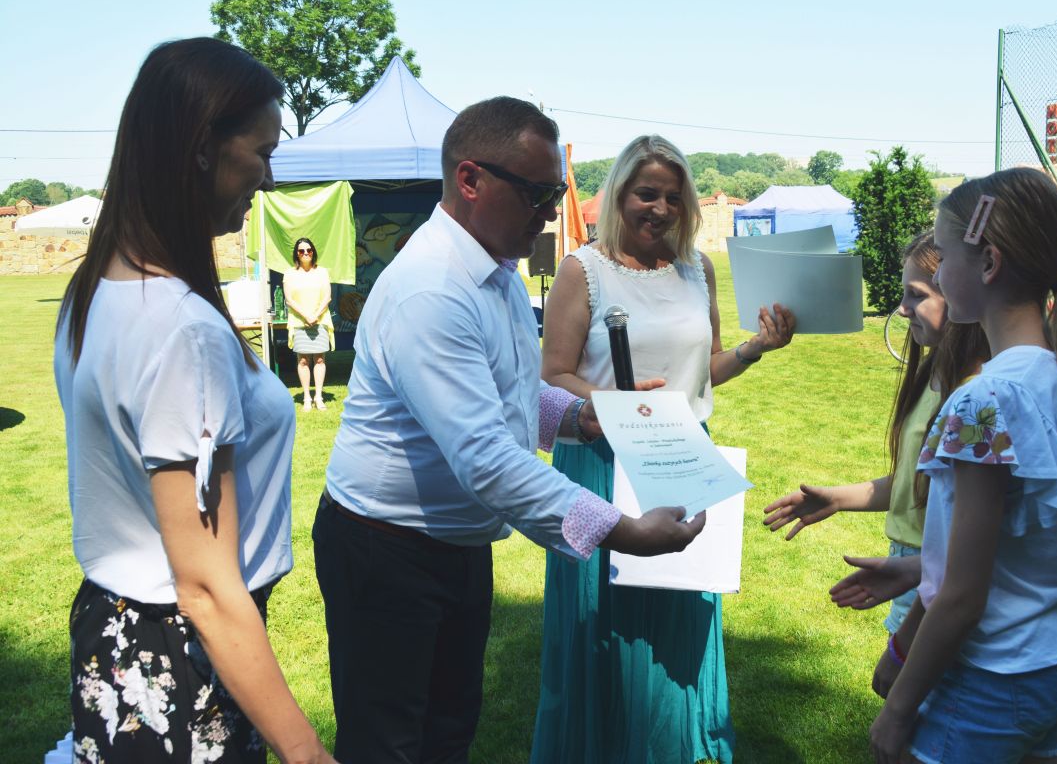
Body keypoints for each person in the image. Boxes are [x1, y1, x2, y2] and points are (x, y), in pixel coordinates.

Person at [313, 99, 707, 764]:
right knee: (389, 745)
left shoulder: (493, 272)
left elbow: (514, 394)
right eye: (536, 193)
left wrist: (582, 415)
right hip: (388, 551)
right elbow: (487, 460)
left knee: (446, 733)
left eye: (554, 193)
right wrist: (621, 531)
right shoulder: (432, 290)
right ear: (471, 180)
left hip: (453, 543)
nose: (550, 212)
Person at [54, 38, 335, 764]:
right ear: (204, 147)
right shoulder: (183, 329)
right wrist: (308, 753)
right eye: (262, 152)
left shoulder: (96, 288)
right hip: (183, 659)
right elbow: (206, 588)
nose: (267, 178)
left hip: (114, 634)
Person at [532, 135, 795, 764]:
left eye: (673, 198)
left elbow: (705, 368)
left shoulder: (695, 269)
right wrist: (613, 402)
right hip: (602, 457)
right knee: (606, 614)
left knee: (679, 603)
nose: (660, 209)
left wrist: (755, 349)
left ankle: (672, 744)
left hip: (682, 455)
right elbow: (553, 376)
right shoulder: (582, 270)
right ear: (620, 193)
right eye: (646, 194)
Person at [869, 167, 1057, 764]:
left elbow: (962, 596)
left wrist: (897, 710)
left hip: (996, 673)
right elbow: (1010, 543)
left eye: (945, 255)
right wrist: (917, 570)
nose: (938, 273)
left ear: (988, 263)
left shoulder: (984, 400)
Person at [763, 231, 988, 634]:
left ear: (959, 294)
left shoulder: (975, 397)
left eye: (917, 295)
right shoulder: (934, 374)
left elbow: (981, 531)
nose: (902, 309)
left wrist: (921, 574)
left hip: (937, 574)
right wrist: (836, 498)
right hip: (914, 566)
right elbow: (916, 484)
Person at [283, 236, 334, 410]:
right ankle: (306, 397)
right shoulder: (289, 274)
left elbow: (327, 297)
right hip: (299, 322)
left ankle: (318, 397)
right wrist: (306, 316)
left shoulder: (322, 272)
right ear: (296, 254)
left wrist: (315, 316)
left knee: (319, 359)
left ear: (313, 252)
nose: (306, 253)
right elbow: (289, 300)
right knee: (303, 360)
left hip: (320, 320)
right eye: (301, 251)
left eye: (309, 250)